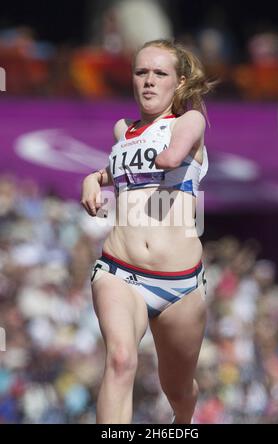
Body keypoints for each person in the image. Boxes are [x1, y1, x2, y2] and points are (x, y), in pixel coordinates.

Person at [80, 39, 214, 424]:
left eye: (160, 74)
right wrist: (94, 177)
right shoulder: (123, 129)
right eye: (141, 73)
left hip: (180, 284)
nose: (149, 82)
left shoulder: (190, 121)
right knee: (121, 360)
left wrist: (118, 163)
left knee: (178, 389)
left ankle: (182, 426)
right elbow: (118, 173)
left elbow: (170, 157)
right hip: (119, 270)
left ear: (180, 81)